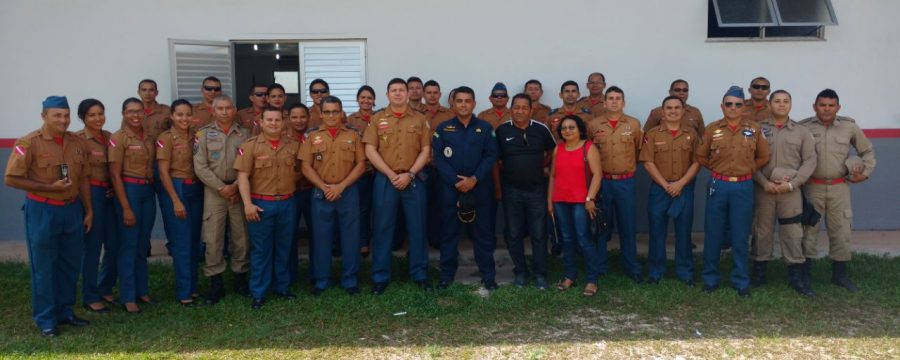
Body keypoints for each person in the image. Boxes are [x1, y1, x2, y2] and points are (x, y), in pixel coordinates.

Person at [5, 96, 93, 337]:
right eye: (57, 115)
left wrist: (89, 210)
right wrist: (50, 188)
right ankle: (46, 318)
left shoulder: (76, 142)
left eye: (66, 115)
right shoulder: (29, 142)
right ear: (44, 116)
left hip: (72, 209)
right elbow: (11, 178)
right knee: (44, 266)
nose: (63, 120)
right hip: (43, 209)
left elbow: (84, 177)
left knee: (69, 263)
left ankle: (65, 311)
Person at [695, 86, 770, 298]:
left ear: (743, 106)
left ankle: (740, 280)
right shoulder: (711, 129)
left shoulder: (754, 129)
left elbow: (764, 156)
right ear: (722, 106)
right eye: (729, 104)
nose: (733, 108)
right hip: (718, 185)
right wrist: (718, 170)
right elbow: (701, 156)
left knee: (740, 234)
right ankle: (710, 279)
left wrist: (748, 169)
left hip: (743, 186)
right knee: (713, 233)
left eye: (738, 104)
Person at [799, 89, 876, 292]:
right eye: (822, 105)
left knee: (841, 231)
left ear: (838, 107)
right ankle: (804, 275)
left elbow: (866, 151)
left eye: (831, 105)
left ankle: (840, 275)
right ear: (814, 106)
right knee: (808, 231)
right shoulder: (803, 127)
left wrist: (865, 173)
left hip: (839, 187)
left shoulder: (849, 127)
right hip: (811, 187)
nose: (826, 109)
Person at [362, 78, 433, 294]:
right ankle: (380, 277)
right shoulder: (377, 119)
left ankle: (420, 273)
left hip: (413, 179)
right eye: (394, 90)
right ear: (387, 94)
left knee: (418, 228)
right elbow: (370, 150)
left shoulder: (420, 119)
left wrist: (410, 174)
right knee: (383, 229)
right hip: (386, 180)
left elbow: (426, 150)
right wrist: (392, 174)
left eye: (402, 90)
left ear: (408, 94)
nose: (399, 93)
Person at [750, 90, 817, 296]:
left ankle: (796, 276)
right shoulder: (758, 129)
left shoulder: (801, 131)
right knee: (762, 231)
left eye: (785, 101)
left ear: (791, 104)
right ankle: (760, 274)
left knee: (792, 232)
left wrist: (793, 184)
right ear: (769, 104)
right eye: (777, 101)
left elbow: (810, 161)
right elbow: (749, 159)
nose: (781, 105)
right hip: (764, 190)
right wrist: (763, 182)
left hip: (790, 192)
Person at [432, 86, 499, 289]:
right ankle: (446, 275)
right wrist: (456, 181)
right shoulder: (443, 129)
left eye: (467, 101)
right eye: (459, 101)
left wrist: (474, 178)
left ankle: (488, 276)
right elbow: (439, 159)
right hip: (450, 189)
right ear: (453, 104)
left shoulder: (485, 128)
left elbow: (491, 156)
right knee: (449, 233)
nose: (463, 104)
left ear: (474, 103)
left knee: (483, 234)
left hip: (479, 188)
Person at [300, 96, 367, 295]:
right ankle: (322, 280)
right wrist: (324, 187)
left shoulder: (353, 135)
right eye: (327, 112)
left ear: (341, 113)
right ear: (320, 114)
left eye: (335, 111)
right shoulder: (311, 136)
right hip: (321, 193)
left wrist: (341, 187)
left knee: (351, 236)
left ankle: (350, 279)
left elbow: (361, 164)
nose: (331, 115)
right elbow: (305, 166)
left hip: (347, 192)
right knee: (321, 237)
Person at [235, 107, 301, 309]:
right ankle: (259, 292)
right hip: (261, 204)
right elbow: (242, 176)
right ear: (261, 122)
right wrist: (247, 204)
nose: (274, 123)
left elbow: (301, 170)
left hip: (287, 203)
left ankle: (282, 287)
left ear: (284, 122)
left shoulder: (294, 145)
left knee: (284, 247)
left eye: (278, 120)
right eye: (269, 120)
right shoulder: (251, 146)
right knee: (261, 250)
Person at [193, 95, 251, 304]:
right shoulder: (204, 135)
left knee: (241, 236)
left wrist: (235, 186)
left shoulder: (244, 134)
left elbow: (248, 162)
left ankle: (240, 280)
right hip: (214, 191)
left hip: (238, 189)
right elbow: (200, 166)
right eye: (220, 109)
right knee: (213, 237)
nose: (225, 112)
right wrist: (220, 187)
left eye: (228, 108)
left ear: (234, 109)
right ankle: (216, 285)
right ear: (213, 111)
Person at [495, 93, 555, 289]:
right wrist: (498, 189)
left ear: (531, 110)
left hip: (537, 190)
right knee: (513, 234)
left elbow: (552, 151)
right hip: (511, 190)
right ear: (511, 109)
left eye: (524, 108)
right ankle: (520, 272)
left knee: (538, 234)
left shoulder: (541, 129)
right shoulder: (502, 130)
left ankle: (540, 274)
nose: (520, 111)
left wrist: (542, 165)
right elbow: (496, 160)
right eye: (516, 107)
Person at [639, 96, 701, 286]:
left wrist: (680, 183)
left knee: (684, 232)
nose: (673, 111)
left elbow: (697, 161)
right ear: (662, 112)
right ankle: (656, 271)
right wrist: (666, 185)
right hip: (660, 189)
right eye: (669, 108)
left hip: (684, 188)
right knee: (657, 232)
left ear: (683, 111)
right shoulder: (653, 134)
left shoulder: (692, 134)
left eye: (676, 108)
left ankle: (685, 272)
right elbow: (648, 162)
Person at [587, 86, 643, 282]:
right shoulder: (594, 125)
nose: (613, 101)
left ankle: (632, 267)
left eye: (618, 98)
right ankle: (601, 266)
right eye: (610, 98)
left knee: (628, 226)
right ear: (604, 102)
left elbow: (638, 152)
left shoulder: (634, 124)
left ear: (623, 102)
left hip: (625, 182)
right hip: (602, 182)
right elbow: (589, 154)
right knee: (601, 226)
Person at [108, 97, 156, 313]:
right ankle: (127, 296)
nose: (135, 116)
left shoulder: (148, 137)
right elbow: (115, 175)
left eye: (139, 112)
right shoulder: (119, 138)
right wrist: (126, 207)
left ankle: (141, 290)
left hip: (147, 191)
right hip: (129, 190)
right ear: (123, 114)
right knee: (128, 244)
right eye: (130, 112)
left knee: (142, 244)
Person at [547, 115, 602, 297]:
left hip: (581, 201)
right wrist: (550, 200)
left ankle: (592, 279)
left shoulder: (588, 147)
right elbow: (553, 176)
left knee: (584, 239)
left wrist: (590, 198)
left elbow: (597, 175)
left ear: (580, 129)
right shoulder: (558, 148)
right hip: (560, 200)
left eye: (571, 127)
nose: (567, 131)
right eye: (563, 128)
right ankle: (570, 276)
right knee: (567, 239)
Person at [156, 99, 204, 306]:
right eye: (179, 115)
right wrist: (176, 200)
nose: (184, 118)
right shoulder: (165, 138)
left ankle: (192, 287)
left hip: (196, 187)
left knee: (194, 241)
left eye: (187, 114)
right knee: (181, 242)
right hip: (177, 188)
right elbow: (163, 172)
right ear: (172, 117)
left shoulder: (197, 136)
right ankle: (183, 291)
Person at [74, 99, 115, 313]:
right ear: (83, 118)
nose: (98, 118)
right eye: (92, 115)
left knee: (114, 243)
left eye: (101, 113)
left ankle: (105, 287)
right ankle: (90, 295)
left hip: (110, 194)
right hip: (90, 194)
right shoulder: (78, 140)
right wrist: (87, 205)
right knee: (92, 247)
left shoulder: (109, 137)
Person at [346, 85, 377, 256]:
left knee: (381, 209)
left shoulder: (380, 118)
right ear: (357, 100)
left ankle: (379, 241)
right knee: (362, 208)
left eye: (369, 98)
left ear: (374, 100)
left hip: (379, 170)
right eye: (362, 97)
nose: (366, 101)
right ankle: (363, 242)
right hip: (361, 171)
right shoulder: (350, 120)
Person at [286, 102, 313, 284]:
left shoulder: (315, 137)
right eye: (294, 117)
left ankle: (316, 274)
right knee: (288, 235)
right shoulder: (282, 140)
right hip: (291, 193)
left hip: (313, 191)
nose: (299, 120)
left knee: (317, 234)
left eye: (302, 116)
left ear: (308, 118)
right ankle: (289, 276)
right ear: (288, 119)